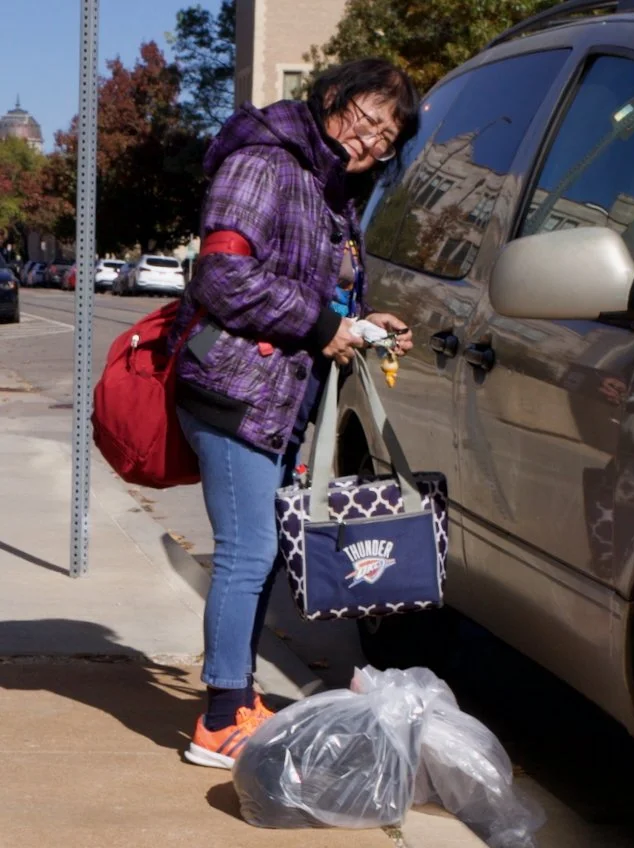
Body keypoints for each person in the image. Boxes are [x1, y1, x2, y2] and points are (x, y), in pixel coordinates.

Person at [170, 58, 419, 768]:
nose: (370, 143)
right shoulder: (265, 161)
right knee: (248, 553)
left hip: (276, 396)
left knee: (263, 552)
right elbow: (222, 274)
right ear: (333, 97)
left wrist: (362, 323)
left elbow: (317, 294)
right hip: (233, 389)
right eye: (366, 121)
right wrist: (318, 325)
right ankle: (220, 720)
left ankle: (237, 698)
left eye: (386, 139)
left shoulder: (328, 185)